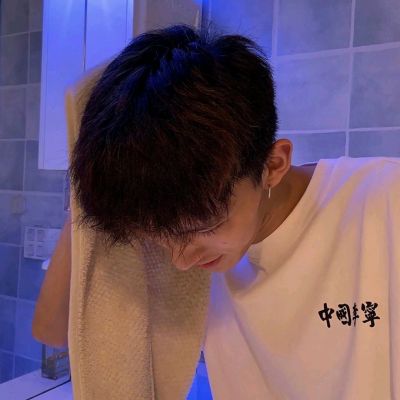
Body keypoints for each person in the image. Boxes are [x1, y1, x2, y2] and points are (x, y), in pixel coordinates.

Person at [33, 23, 400, 399]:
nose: (181, 261)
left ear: (273, 164)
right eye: (158, 237)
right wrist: (98, 184)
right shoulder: (177, 230)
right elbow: (54, 329)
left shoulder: (385, 201)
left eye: (204, 227)